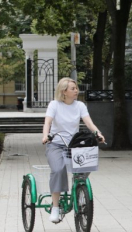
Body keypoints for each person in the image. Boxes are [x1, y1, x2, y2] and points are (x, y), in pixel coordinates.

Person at [42, 77, 105, 223]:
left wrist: (98, 133)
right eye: (73, 88)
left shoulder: (80, 106)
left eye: (76, 88)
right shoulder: (54, 105)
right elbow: (48, 122)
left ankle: (79, 190)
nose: (76, 90)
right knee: (58, 169)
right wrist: (45, 136)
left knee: (85, 166)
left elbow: (89, 122)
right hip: (56, 144)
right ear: (64, 91)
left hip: (74, 145)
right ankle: (56, 207)